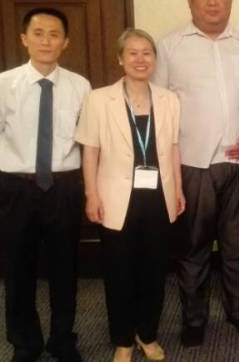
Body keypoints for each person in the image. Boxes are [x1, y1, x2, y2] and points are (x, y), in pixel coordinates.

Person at [0, 7, 90, 362]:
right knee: (18, 267)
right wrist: (22, 163)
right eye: (38, 33)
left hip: (64, 187)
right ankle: (25, 342)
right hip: (18, 189)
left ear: (66, 42)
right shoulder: (2, 84)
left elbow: (87, 138)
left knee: (64, 268)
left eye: (54, 34)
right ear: (24, 39)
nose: (46, 41)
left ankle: (62, 340)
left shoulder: (80, 86)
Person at [153, 0, 239, 346]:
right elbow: (158, 105)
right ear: (190, 2)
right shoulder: (169, 47)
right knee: (193, 247)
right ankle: (194, 319)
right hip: (193, 163)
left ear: (230, 1)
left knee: (238, 247)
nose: (212, 1)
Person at [75, 29, 185, 362]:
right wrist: (91, 194)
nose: (140, 59)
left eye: (147, 53)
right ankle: (123, 339)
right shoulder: (98, 99)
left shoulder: (168, 99)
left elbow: (173, 148)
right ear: (120, 58)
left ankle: (147, 334)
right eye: (133, 53)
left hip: (159, 197)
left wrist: (179, 189)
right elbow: (90, 150)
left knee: (154, 270)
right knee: (119, 271)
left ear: (155, 59)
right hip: (115, 197)